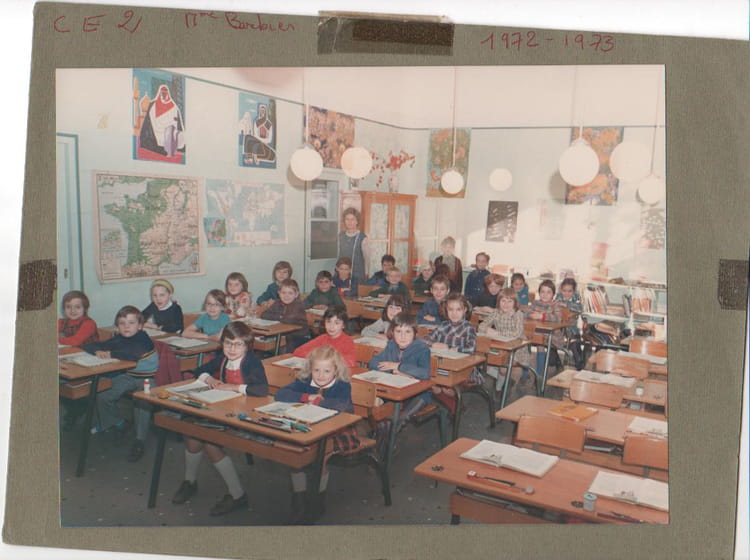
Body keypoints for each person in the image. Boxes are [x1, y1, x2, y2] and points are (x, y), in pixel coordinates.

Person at [171, 322, 268, 516]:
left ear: (247, 346)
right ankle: (190, 482)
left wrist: (233, 387)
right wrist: (211, 380)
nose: (232, 349)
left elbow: (261, 389)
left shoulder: (251, 362)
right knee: (192, 435)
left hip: (244, 414)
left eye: (238, 344)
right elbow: (200, 370)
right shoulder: (223, 359)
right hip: (223, 409)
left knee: (209, 441)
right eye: (228, 343)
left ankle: (237, 494)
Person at [276, 345, 353, 523]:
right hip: (308, 428)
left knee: (322, 456)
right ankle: (299, 499)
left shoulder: (342, 385)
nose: (321, 375)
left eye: (327, 371)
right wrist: (305, 397)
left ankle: (318, 500)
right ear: (310, 368)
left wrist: (318, 402)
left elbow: (341, 406)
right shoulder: (306, 381)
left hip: (338, 431)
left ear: (336, 370)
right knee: (294, 454)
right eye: (316, 370)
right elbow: (281, 394)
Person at [82, 306, 159, 462]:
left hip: (147, 378)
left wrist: (110, 353)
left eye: (131, 323)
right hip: (128, 376)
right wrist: (97, 351)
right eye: (122, 323)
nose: (126, 327)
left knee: (142, 402)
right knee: (103, 395)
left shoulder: (143, 338)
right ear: (117, 326)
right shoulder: (119, 337)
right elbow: (90, 345)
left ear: (140, 326)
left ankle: (139, 441)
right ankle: (118, 422)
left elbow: (132, 354)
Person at [368, 312, 431, 432]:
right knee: (376, 412)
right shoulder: (391, 345)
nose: (403, 336)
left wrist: (399, 366)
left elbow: (425, 373)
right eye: (398, 331)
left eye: (407, 332)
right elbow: (373, 362)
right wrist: (393, 371)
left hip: (418, 394)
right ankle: (387, 434)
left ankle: (391, 431)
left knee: (399, 419)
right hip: (395, 391)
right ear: (392, 332)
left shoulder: (422, 349)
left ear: (415, 334)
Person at [424, 294, 479, 414]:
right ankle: (455, 407)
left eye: (458, 309)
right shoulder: (443, 325)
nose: (454, 313)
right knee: (433, 385)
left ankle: (454, 408)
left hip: (464, 370)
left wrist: (450, 348)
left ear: (464, 310)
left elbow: (471, 349)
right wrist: (434, 343)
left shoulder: (468, 327)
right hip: (443, 366)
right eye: (451, 309)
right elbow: (426, 339)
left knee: (447, 388)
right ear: (446, 310)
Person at [478, 288, 531, 390]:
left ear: (515, 303)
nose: (506, 304)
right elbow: (481, 326)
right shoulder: (496, 312)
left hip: (516, 349)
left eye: (509, 301)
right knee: (480, 362)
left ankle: (499, 389)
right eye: (503, 301)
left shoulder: (518, 314)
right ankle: (506, 380)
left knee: (503, 368)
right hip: (499, 346)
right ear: (499, 301)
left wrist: (498, 333)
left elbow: (516, 333)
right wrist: (486, 329)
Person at [526, 279, 564, 384]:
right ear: (539, 293)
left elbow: (558, 318)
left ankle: (539, 375)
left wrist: (542, 316)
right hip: (535, 332)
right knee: (524, 342)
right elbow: (526, 313)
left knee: (540, 345)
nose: (545, 295)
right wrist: (531, 315)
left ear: (553, 294)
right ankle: (524, 374)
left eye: (548, 292)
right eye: (542, 292)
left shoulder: (555, 304)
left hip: (551, 335)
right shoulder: (535, 303)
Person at [260, 278, 310, 352]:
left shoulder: (298, 305)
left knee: (283, 347)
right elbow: (264, 314)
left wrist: (278, 317)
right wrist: (280, 316)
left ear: (296, 294)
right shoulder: (277, 303)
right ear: (279, 293)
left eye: (290, 293)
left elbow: (288, 319)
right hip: (283, 335)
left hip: (299, 337)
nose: (286, 296)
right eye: (283, 293)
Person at [139, 84, 185, 157]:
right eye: (162, 92)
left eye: (165, 92)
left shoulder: (174, 107)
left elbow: (178, 123)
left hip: (169, 132)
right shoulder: (152, 105)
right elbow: (147, 122)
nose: (164, 94)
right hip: (155, 131)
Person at [556, 277, 584, 369]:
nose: (567, 293)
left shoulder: (576, 297)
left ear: (574, 291)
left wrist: (565, 304)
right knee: (551, 339)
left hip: (572, 328)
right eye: (564, 291)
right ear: (561, 290)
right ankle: (556, 361)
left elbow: (580, 308)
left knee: (575, 341)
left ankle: (579, 363)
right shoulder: (559, 296)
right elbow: (555, 306)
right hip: (559, 326)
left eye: (570, 291)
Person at [338, 207, 370, 289]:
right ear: (344, 221)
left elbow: (367, 258)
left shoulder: (362, 237)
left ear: (357, 221)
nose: (349, 222)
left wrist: (366, 273)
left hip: (357, 275)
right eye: (347, 219)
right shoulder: (340, 236)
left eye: (352, 219)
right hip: (343, 274)